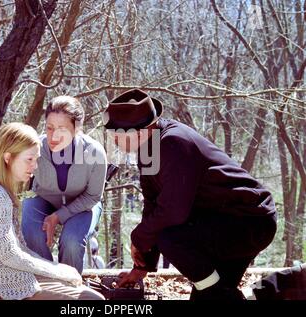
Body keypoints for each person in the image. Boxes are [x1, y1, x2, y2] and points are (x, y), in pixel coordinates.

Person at [103, 89, 277, 300]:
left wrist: (138, 238)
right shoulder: (149, 148)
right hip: (223, 222)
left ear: (136, 132)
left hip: (248, 222)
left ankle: (224, 295)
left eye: (116, 136)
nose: (114, 142)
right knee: (208, 296)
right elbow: (153, 204)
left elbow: (172, 213)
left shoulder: (173, 144)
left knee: (171, 239)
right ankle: (221, 293)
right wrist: (144, 265)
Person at [0, 96, 107, 274]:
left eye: (62, 129)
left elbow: (93, 196)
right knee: (31, 229)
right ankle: (44, 281)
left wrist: (58, 216)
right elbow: (1, 164)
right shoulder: (36, 146)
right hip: (43, 199)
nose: (54, 136)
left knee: (71, 240)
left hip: (84, 205)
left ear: (77, 128)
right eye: (49, 128)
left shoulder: (94, 152)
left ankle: (70, 287)